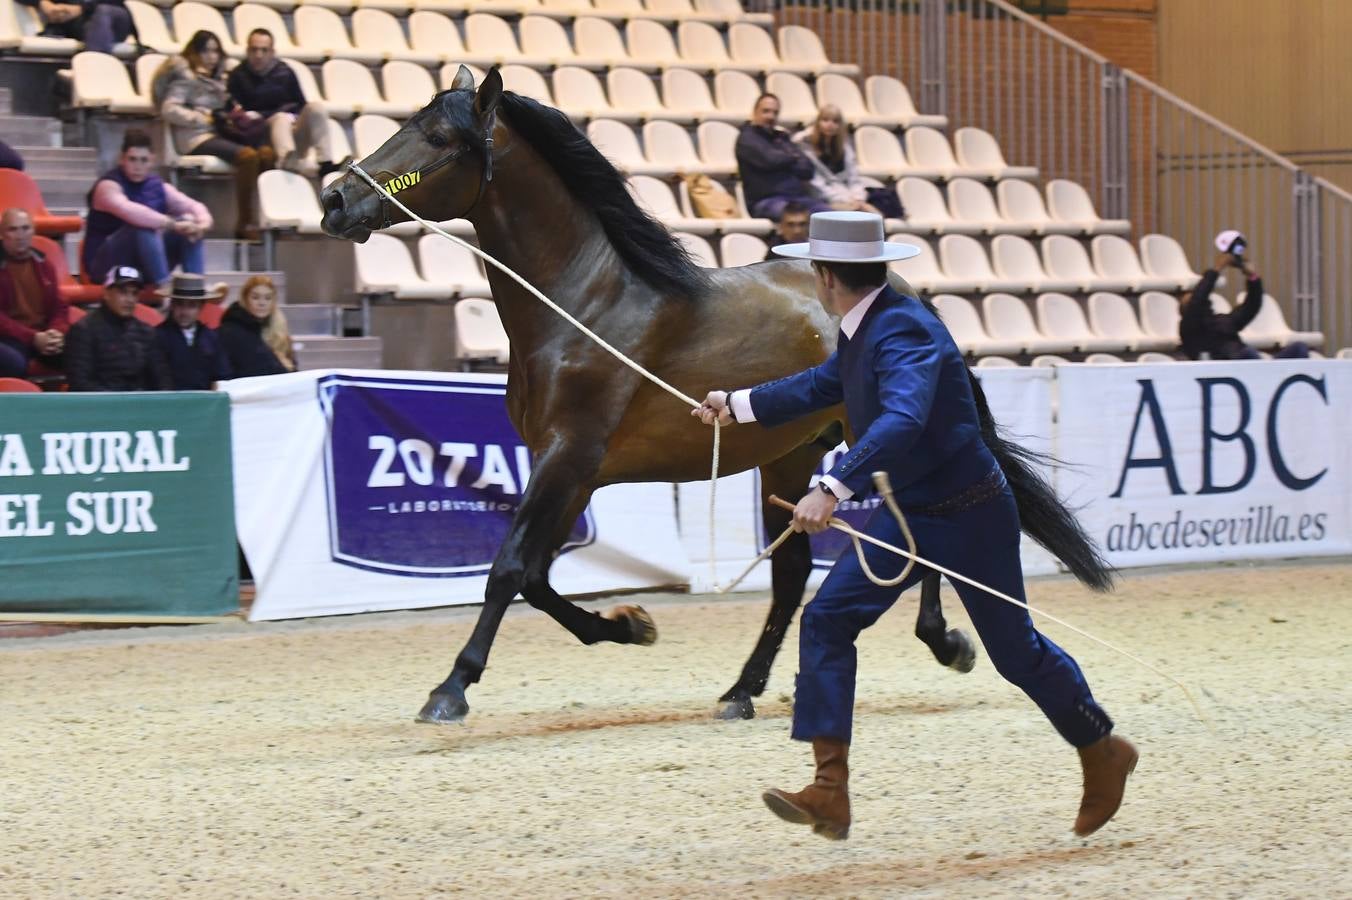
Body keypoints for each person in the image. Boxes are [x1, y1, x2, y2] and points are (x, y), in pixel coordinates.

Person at [693, 211, 1137, 842]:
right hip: (911, 516)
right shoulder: (864, 326)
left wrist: (832, 486)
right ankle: (828, 790)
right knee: (827, 619)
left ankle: (1102, 748)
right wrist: (736, 406)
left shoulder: (903, 330)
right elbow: (824, 383)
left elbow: (901, 420)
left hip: (969, 516)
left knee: (1017, 654)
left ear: (823, 276)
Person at [156, 30, 275, 240]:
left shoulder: (222, 77)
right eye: (205, 51)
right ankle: (245, 223)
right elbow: (169, 109)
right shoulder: (186, 77)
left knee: (266, 153)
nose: (211, 57)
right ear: (194, 52)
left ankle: (263, 218)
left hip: (222, 133)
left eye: (215, 51)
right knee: (247, 156)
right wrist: (201, 118)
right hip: (196, 137)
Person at [84, 129, 213, 289]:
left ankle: (195, 288)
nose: (137, 166)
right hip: (107, 264)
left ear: (152, 160)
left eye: (143, 160)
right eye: (132, 159)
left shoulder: (158, 185)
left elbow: (194, 206)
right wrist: (171, 224)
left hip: (145, 263)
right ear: (121, 159)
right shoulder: (108, 186)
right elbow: (130, 211)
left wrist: (201, 225)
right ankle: (165, 290)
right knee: (143, 226)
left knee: (190, 225)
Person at [227, 28, 347, 179]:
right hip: (262, 138)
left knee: (315, 108)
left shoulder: (284, 72)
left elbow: (301, 105)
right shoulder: (238, 76)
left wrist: (291, 115)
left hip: (291, 134)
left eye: (264, 50)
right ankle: (287, 161)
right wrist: (273, 115)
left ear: (272, 51)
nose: (259, 55)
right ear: (247, 50)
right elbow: (237, 114)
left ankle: (325, 163)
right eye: (254, 50)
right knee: (280, 118)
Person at [1180, 231, 1308, 360]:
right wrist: (1217, 268)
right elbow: (1198, 299)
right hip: (1227, 368)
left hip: (1250, 361)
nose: (1193, 296)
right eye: (1188, 298)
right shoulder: (1189, 327)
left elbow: (1251, 307)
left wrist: (1253, 277)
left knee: (1299, 348)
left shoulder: (1222, 321)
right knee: (1248, 354)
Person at [64, 265, 173, 392]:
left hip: (139, 406)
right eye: (123, 292)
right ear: (106, 293)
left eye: (134, 293)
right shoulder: (83, 331)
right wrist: (119, 402)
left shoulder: (146, 332)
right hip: (99, 407)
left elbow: (162, 380)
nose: (130, 299)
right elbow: (80, 383)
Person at [735, 93, 832, 222]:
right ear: (755, 112)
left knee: (831, 217)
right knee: (797, 217)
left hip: (798, 199)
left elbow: (808, 170)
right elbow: (770, 160)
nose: (771, 116)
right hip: (767, 201)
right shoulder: (747, 138)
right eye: (766, 111)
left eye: (775, 113)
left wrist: (784, 159)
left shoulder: (781, 137)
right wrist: (792, 157)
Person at [0, 208, 68, 378]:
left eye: (25, 228)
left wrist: (55, 332)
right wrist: (33, 337)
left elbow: (59, 307)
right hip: (8, 338)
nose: (20, 235)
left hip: (43, 335)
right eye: (12, 229)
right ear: (2, 234)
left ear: (33, 231)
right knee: (13, 363)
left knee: (82, 350)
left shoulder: (45, 265)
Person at [155, 273, 232, 390]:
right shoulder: (158, 336)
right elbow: (157, 378)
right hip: (168, 404)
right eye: (180, 304)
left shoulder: (211, 338)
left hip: (205, 404)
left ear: (201, 307)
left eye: (191, 305)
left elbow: (222, 375)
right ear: (172, 305)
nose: (185, 312)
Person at [218, 274, 294, 377]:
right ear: (245, 299)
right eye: (255, 297)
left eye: (268, 298)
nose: (262, 303)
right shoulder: (230, 331)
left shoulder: (280, 330)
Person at [16, 0, 131, 54]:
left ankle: (93, 67)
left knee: (103, 11)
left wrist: (81, 9)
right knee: (94, 26)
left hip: (113, 19)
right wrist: (42, 3)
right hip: (79, 24)